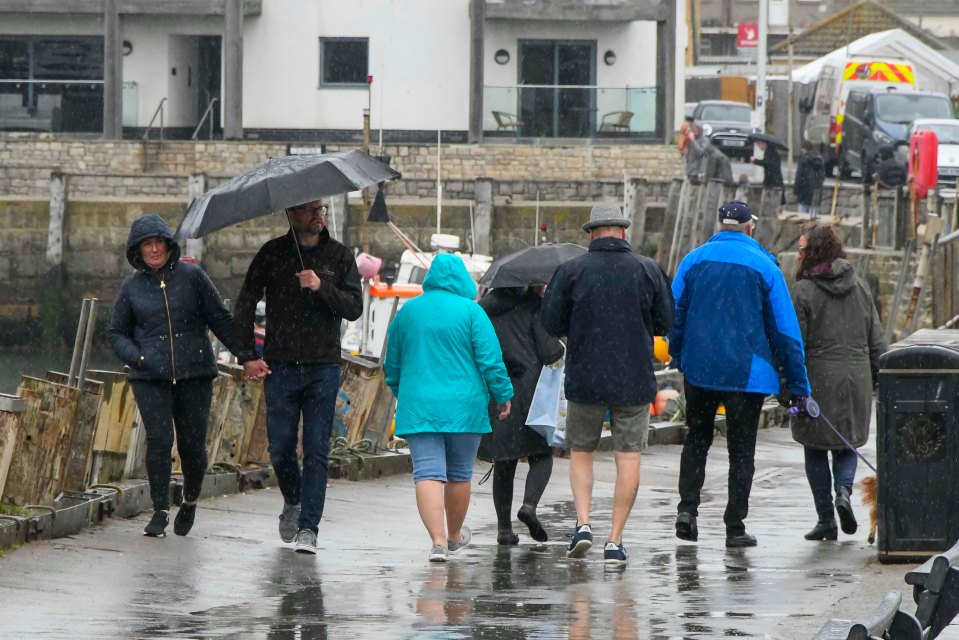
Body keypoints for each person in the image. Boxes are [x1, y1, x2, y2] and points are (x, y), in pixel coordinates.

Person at [668, 200, 809, 548]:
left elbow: (673, 315)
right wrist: (798, 384)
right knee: (742, 451)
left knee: (697, 439)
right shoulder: (766, 267)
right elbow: (786, 333)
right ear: (749, 227)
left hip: (700, 370)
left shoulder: (693, 260)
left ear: (720, 225)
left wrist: (678, 353)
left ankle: (687, 510)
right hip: (748, 376)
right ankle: (734, 526)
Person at [541, 204, 674, 565]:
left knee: (582, 452)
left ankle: (583, 523)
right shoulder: (647, 270)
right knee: (628, 456)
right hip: (634, 377)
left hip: (586, 375)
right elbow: (665, 322)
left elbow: (551, 322)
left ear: (591, 234)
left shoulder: (571, 270)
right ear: (623, 232)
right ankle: (615, 540)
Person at [233, 199, 363, 554]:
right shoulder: (272, 253)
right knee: (280, 446)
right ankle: (293, 499)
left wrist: (322, 286)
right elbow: (245, 302)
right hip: (281, 365)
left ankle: (309, 527)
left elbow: (354, 308)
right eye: (309, 209)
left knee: (318, 449)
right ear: (291, 214)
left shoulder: (339, 256)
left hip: (323, 365)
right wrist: (246, 355)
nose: (317, 215)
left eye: (320, 208)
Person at [108, 213, 242, 538]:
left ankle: (190, 499)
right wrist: (139, 358)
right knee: (159, 440)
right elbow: (116, 333)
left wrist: (249, 355)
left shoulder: (193, 277)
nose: (154, 249)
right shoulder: (131, 289)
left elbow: (221, 320)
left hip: (194, 373)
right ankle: (159, 510)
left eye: (159, 243)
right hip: (149, 376)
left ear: (169, 245)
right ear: (137, 251)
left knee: (192, 444)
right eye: (147, 245)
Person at [384, 253, 513, 563]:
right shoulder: (472, 312)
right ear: (462, 279)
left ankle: (437, 541)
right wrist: (503, 394)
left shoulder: (409, 311)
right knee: (458, 474)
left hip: (420, 405)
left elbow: (393, 363)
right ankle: (454, 536)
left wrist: (403, 391)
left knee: (427, 473)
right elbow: (490, 360)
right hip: (464, 407)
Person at [790, 222, 886, 541]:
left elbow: (795, 344)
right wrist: (881, 378)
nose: (797, 255)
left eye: (802, 249)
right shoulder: (860, 287)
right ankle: (843, 491)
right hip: (856, 378)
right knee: (846, 443)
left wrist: (788, 385)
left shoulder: (803, 291)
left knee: (815, 447)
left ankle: (826, 518)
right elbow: (876, 339)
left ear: (813, 252)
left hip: (818, 378)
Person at [477, 285, 565, 546]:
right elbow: (551, 352)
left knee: (504, 460)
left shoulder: (484, 309)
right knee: (541, 454)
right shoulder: (533, 306)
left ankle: (504, 529)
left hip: (497, 393)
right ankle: (529, 505)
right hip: (530, 395)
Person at [794, 142, 825, 215]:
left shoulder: (803, 160)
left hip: (804, 192)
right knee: (813, 219)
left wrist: (796, 190)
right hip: (816, 193)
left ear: (804, 149)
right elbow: (822, 177)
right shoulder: (820, 160)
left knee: (801, 217)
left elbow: (799, 176)